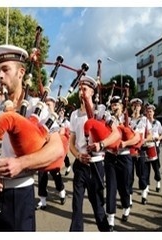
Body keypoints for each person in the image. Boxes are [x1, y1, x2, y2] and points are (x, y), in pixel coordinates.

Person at [0, 45, 65, 231]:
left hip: (20, 196)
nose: (0, 76)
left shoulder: (36, 108)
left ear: (21, 72)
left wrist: (21, 163)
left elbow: (57, 148)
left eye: (5, 69)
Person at [68, 75, 120, 232]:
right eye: (80, 89)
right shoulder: (74, 115)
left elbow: (116, 134)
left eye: (85, 89)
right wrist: (77, 155)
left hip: (96, 165)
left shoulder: (101, 112)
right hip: (80, 164)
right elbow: (71, 143)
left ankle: (105, 230)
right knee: (76, 205)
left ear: (91, 92)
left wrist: (101, 144)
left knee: (97, 203)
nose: (81, 92)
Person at [106, 96, 137, 227]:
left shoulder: (130, 121)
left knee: (124, 186)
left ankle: (126, 206)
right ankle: (111, 218)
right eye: (112, 105)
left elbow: (137, 138)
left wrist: (125, 143)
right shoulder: (107, 119)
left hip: (124, 156)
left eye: (117, 105)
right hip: (111, 157)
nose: (114, 107)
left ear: (122, 107)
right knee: (111, 187)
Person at [36, 96, 67, 209]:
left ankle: (61, 189)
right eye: (46, 104)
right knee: (42, 175)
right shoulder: (42, 117)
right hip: (42, 149)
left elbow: (62, 132)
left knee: (55, 173)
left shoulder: (59, 119)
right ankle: (42, 199)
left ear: (54, 105)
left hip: (54, 149)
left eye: (49, 104)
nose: (47, 106)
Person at [129, 98, 150, 204]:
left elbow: (149, 134)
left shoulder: (145, 119)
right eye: (134, 106)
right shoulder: (128, 120)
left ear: (140, 107)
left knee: (141, 173)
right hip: (130, 149)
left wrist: (143, 141)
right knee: (129, 175)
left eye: (137, 106)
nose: (136, 108)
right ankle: (129, 198)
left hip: (140, 149)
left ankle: (144, 194)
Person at [141, 104, 162, 203]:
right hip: (145, 147)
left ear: (153, 113)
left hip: (155, 146)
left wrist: (159, 138)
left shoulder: (157, 123)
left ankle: (158, 181)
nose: (149, 113)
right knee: (145, 170)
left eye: (150, 112)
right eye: (147, 111)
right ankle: (146, 189)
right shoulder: (143, 123)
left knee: (156, 167)